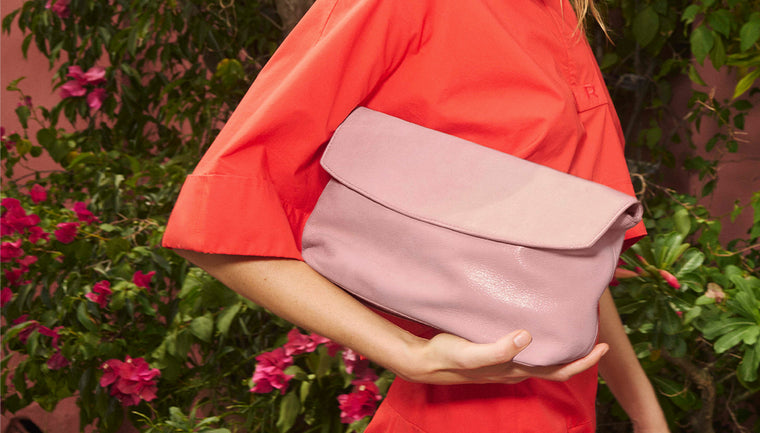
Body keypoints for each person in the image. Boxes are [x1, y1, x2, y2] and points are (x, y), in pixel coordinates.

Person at [162, 0, 669, 431]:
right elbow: (215, 218)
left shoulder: (557, 11)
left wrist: (648, 416)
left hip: (563, 415)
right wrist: (407, 352)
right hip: (462, 416)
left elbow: (564, 269)